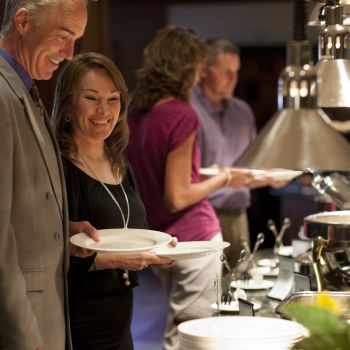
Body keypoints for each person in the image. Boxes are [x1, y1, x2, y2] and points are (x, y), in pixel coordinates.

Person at [126, 26, 253, 350]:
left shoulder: (137, 113)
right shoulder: (181, 114)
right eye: (197, 67)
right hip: (195, 238)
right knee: (193, 335)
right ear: (185, 68)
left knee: (178, 329)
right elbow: (178, 196)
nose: (199, 75)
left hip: (162, 236)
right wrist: (223, 177)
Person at [52, 51, 174, 350]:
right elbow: (48, 254)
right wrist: (119, 260)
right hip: (78, 322)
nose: (103, 109)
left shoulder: (119, 163)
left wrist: (160, 248)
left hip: (121, 319)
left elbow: (136, 231)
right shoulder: (56, 167)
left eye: (113, 98)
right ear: (68, 105)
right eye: (91, 98)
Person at [0, 1, 99, 350]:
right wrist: (25, 338)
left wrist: (59, 231)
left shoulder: (22, 87)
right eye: (63, 36)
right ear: (23, 21)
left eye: (76, 39)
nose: (70, 53)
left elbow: (17, 212)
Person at [190, 38, 280, 269]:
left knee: (241, 284)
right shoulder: (188, 110)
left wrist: (272, 174)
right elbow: (184, 177)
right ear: (204, 72)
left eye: (237, 72)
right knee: (209, 290)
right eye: (227, 72)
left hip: (240, 213)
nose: (234, 79)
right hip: (201, 213)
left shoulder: (242, 112)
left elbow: (250, 165)